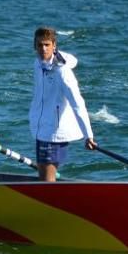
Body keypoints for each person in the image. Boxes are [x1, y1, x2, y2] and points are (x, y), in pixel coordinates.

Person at [30, 26, 97, 181]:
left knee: (47, 179)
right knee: (42, 177)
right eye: (39, 45)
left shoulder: (63, 72)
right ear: (35, 46)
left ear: (54, 46)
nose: (43, 49)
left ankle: (48, 203)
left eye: (47, 45)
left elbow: (77, 103)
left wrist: (89, 135)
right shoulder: (37, 64)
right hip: (41, 130)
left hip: (55, 132)